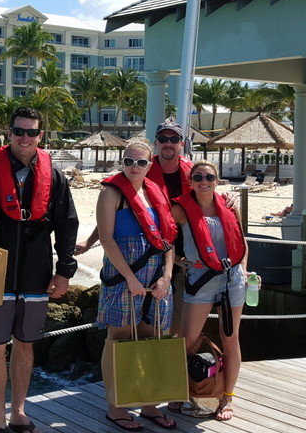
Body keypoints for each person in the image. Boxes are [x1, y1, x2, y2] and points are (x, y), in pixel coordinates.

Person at [0, 107, 79, 433]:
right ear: (10, 133)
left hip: (36, 271)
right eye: (20, 132)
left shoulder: (55, 176)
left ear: (40, 135)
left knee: (26, 343)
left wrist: (65, 271)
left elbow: (67, 224)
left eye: (32, 133)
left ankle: (18, 411)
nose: (25, 138)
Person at [77, 121, 234, 336]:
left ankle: (174, 367)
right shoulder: (140, 175)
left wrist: (230, 197)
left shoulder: (194, 175)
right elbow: (113, 219)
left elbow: (210, 194)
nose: (168, 143)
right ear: (156, 143)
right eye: (163, 139)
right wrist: (89, 241)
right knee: (125, 333)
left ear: (182, 143)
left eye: (174, 139)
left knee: (173, 328)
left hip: (186, 259)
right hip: (155, 259)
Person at [97, 140, 178, 431]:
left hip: (156, 276)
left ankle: (148, 404)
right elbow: (107, 239)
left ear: (150, 165)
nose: (134, 167)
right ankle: (115, 407)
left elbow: (168, 238)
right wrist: (130, 278)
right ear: (121, 162)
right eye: (128, 161)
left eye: (141, 162)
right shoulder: (111, 193)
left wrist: (167, 276)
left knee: (151, 336)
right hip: (124, 275)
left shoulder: (156, 193)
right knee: (118, 339)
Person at [170, 160, 250, 422]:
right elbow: (166, 241)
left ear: (217, 180)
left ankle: (227, 396)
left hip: (233, 280)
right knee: (188, 339)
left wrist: (244, 269)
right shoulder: (180, 209)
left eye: (209, 176)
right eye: (198, 177)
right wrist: (181, 262)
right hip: (200, 279)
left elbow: (241, 241)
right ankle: (181, 392)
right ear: (190, 182)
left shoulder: (228, 206)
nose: (204, 181)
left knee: (231, 338)